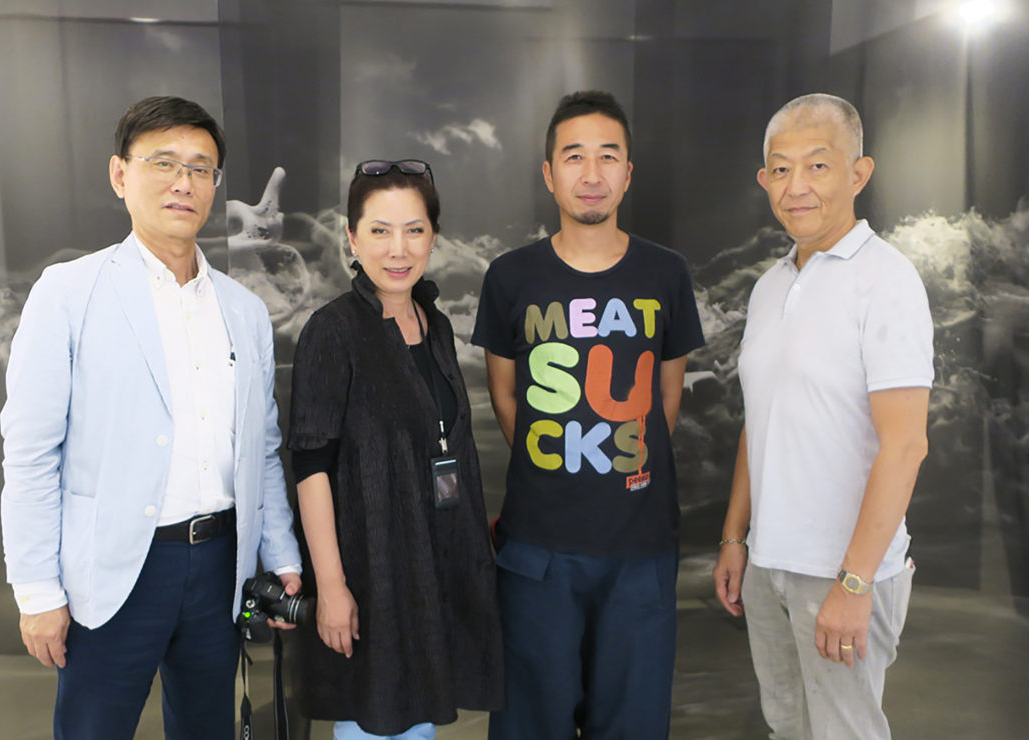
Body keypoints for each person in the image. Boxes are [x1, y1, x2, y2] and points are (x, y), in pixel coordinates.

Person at [0, 95, 302, 740]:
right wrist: (37, 591)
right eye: (163, 163)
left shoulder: (244, 310)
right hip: (113, 571)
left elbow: (262, 449)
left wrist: (279, 554)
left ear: (215, 184)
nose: (183, 182)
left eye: (200, 168)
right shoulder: (68, 293)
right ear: (120, 174)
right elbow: (30, 454)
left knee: (206, 728)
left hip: (220, 564)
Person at [472, 90, 705, 739]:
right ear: (550, 174)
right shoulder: (510, 277)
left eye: (608, 156)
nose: (592, 173)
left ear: (628, 173)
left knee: (632, 724)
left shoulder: (666, 274)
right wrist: (561, 465)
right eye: (575, 157)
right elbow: (506, 396)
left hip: (640, 548)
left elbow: (665, 400)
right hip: (536, 549)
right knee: (530, 722)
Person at [712, 93, 933, 739]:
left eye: (818, 165)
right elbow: (763, 419)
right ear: (764, 180)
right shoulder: (769, 286)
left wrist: (854, 583)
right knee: (786, 727)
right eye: (781, 169)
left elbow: (905, 446)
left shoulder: (887, 280)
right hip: (767, 564)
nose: (797, 186)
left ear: (859, 174)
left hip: (843, 571)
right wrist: (734, 538)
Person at [287, 159, 503, 740]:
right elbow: (311, 466)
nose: (398, 248)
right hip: (372, 571)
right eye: (380, 231)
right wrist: (332, 587)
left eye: (414, 230)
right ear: (352, 238)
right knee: (378, 718)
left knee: (418, 721)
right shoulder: (332, 331)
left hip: (436, 563)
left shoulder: (436, 325)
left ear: (433, 237)